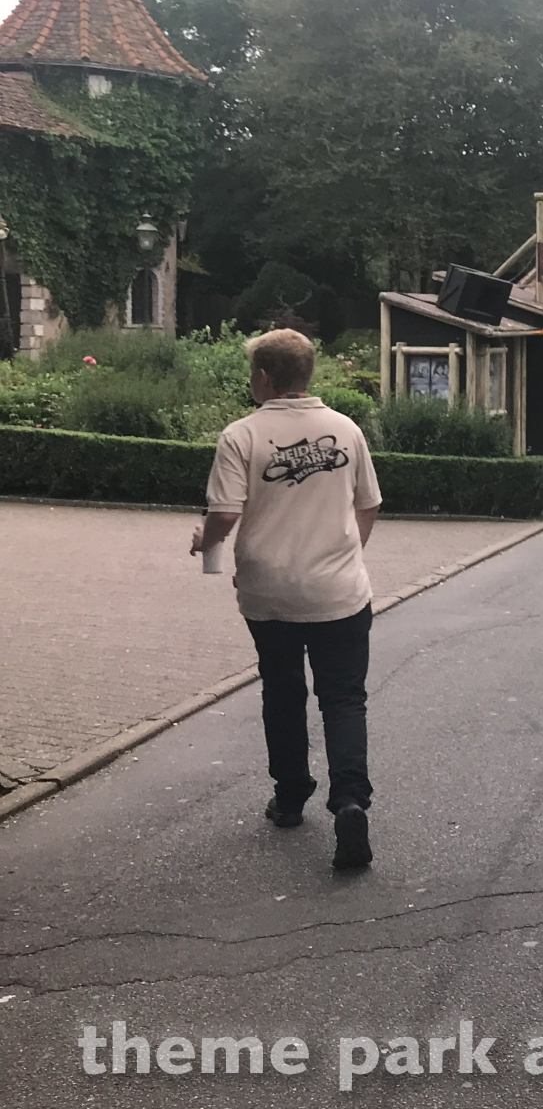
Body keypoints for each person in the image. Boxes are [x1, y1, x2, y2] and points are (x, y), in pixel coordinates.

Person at [189, 329, 383, 871]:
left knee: (282, 691)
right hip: (339, 591)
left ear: (264, 376)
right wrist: (346, 553)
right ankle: (350, 800)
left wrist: (205, 540)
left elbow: (225, 513)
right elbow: (368, 504)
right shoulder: (345, 429)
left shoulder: (241, 435)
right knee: (343, 698)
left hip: (269, 591)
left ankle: (291, 796)